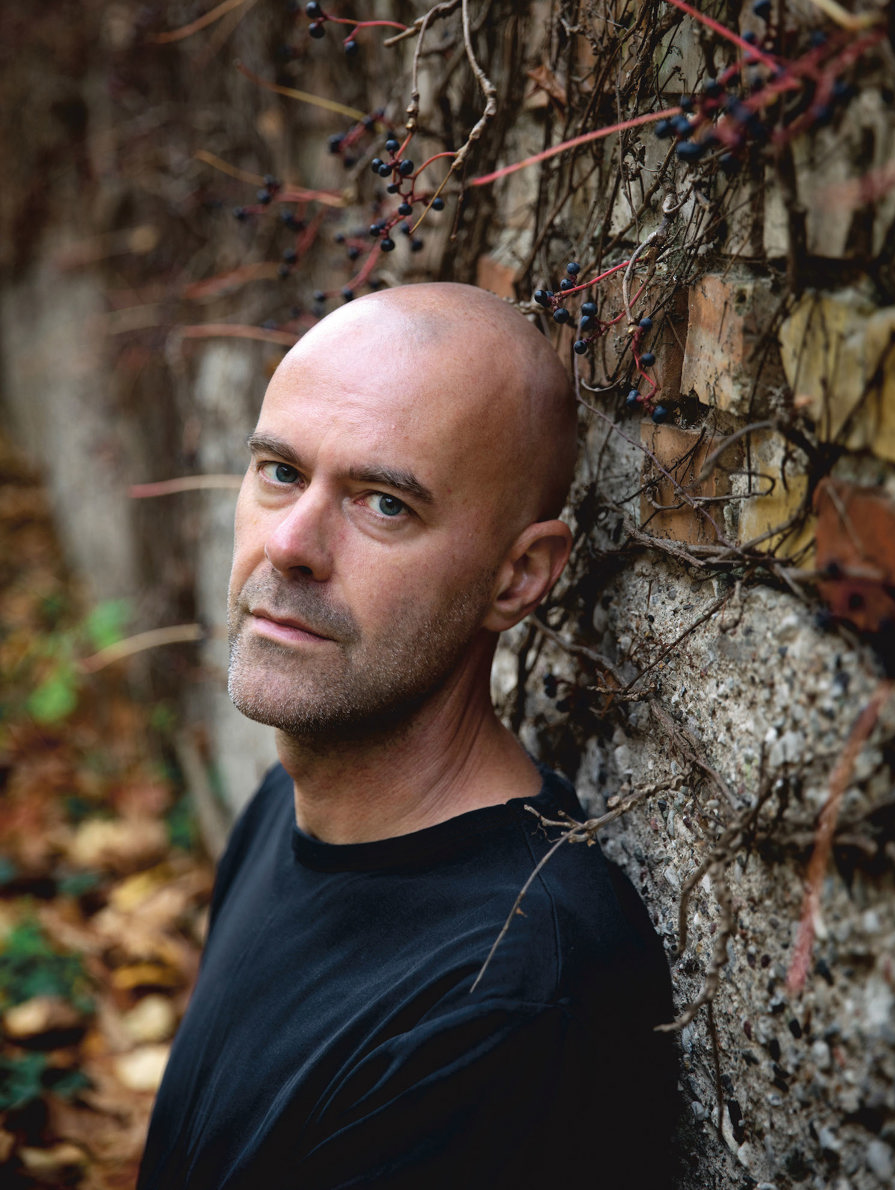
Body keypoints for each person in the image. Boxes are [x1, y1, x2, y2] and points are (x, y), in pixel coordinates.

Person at [137, 281, 674, 1190]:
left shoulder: (505, 1004)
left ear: (518, 577)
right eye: (280, 472)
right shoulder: (289, 804)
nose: (290, 545)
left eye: (384, 503)